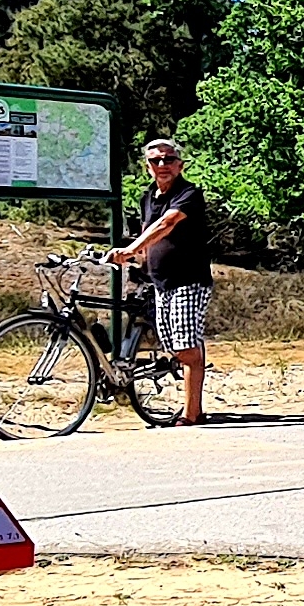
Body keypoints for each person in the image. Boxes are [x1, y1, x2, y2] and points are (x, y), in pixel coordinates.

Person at [122, 138, 214, 425]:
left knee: (186, 347)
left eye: (168, 159)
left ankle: (192, 413)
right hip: (162, 282)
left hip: (189, 280)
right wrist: (140, 264)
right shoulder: (149, 196)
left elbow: (166, 224)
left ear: (180, 164)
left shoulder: (189, 193)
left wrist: (130, 249)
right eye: (155, 161)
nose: (162, 165)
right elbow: (147, 230)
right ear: (147, 167)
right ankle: (193, 405)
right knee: (175, 345)